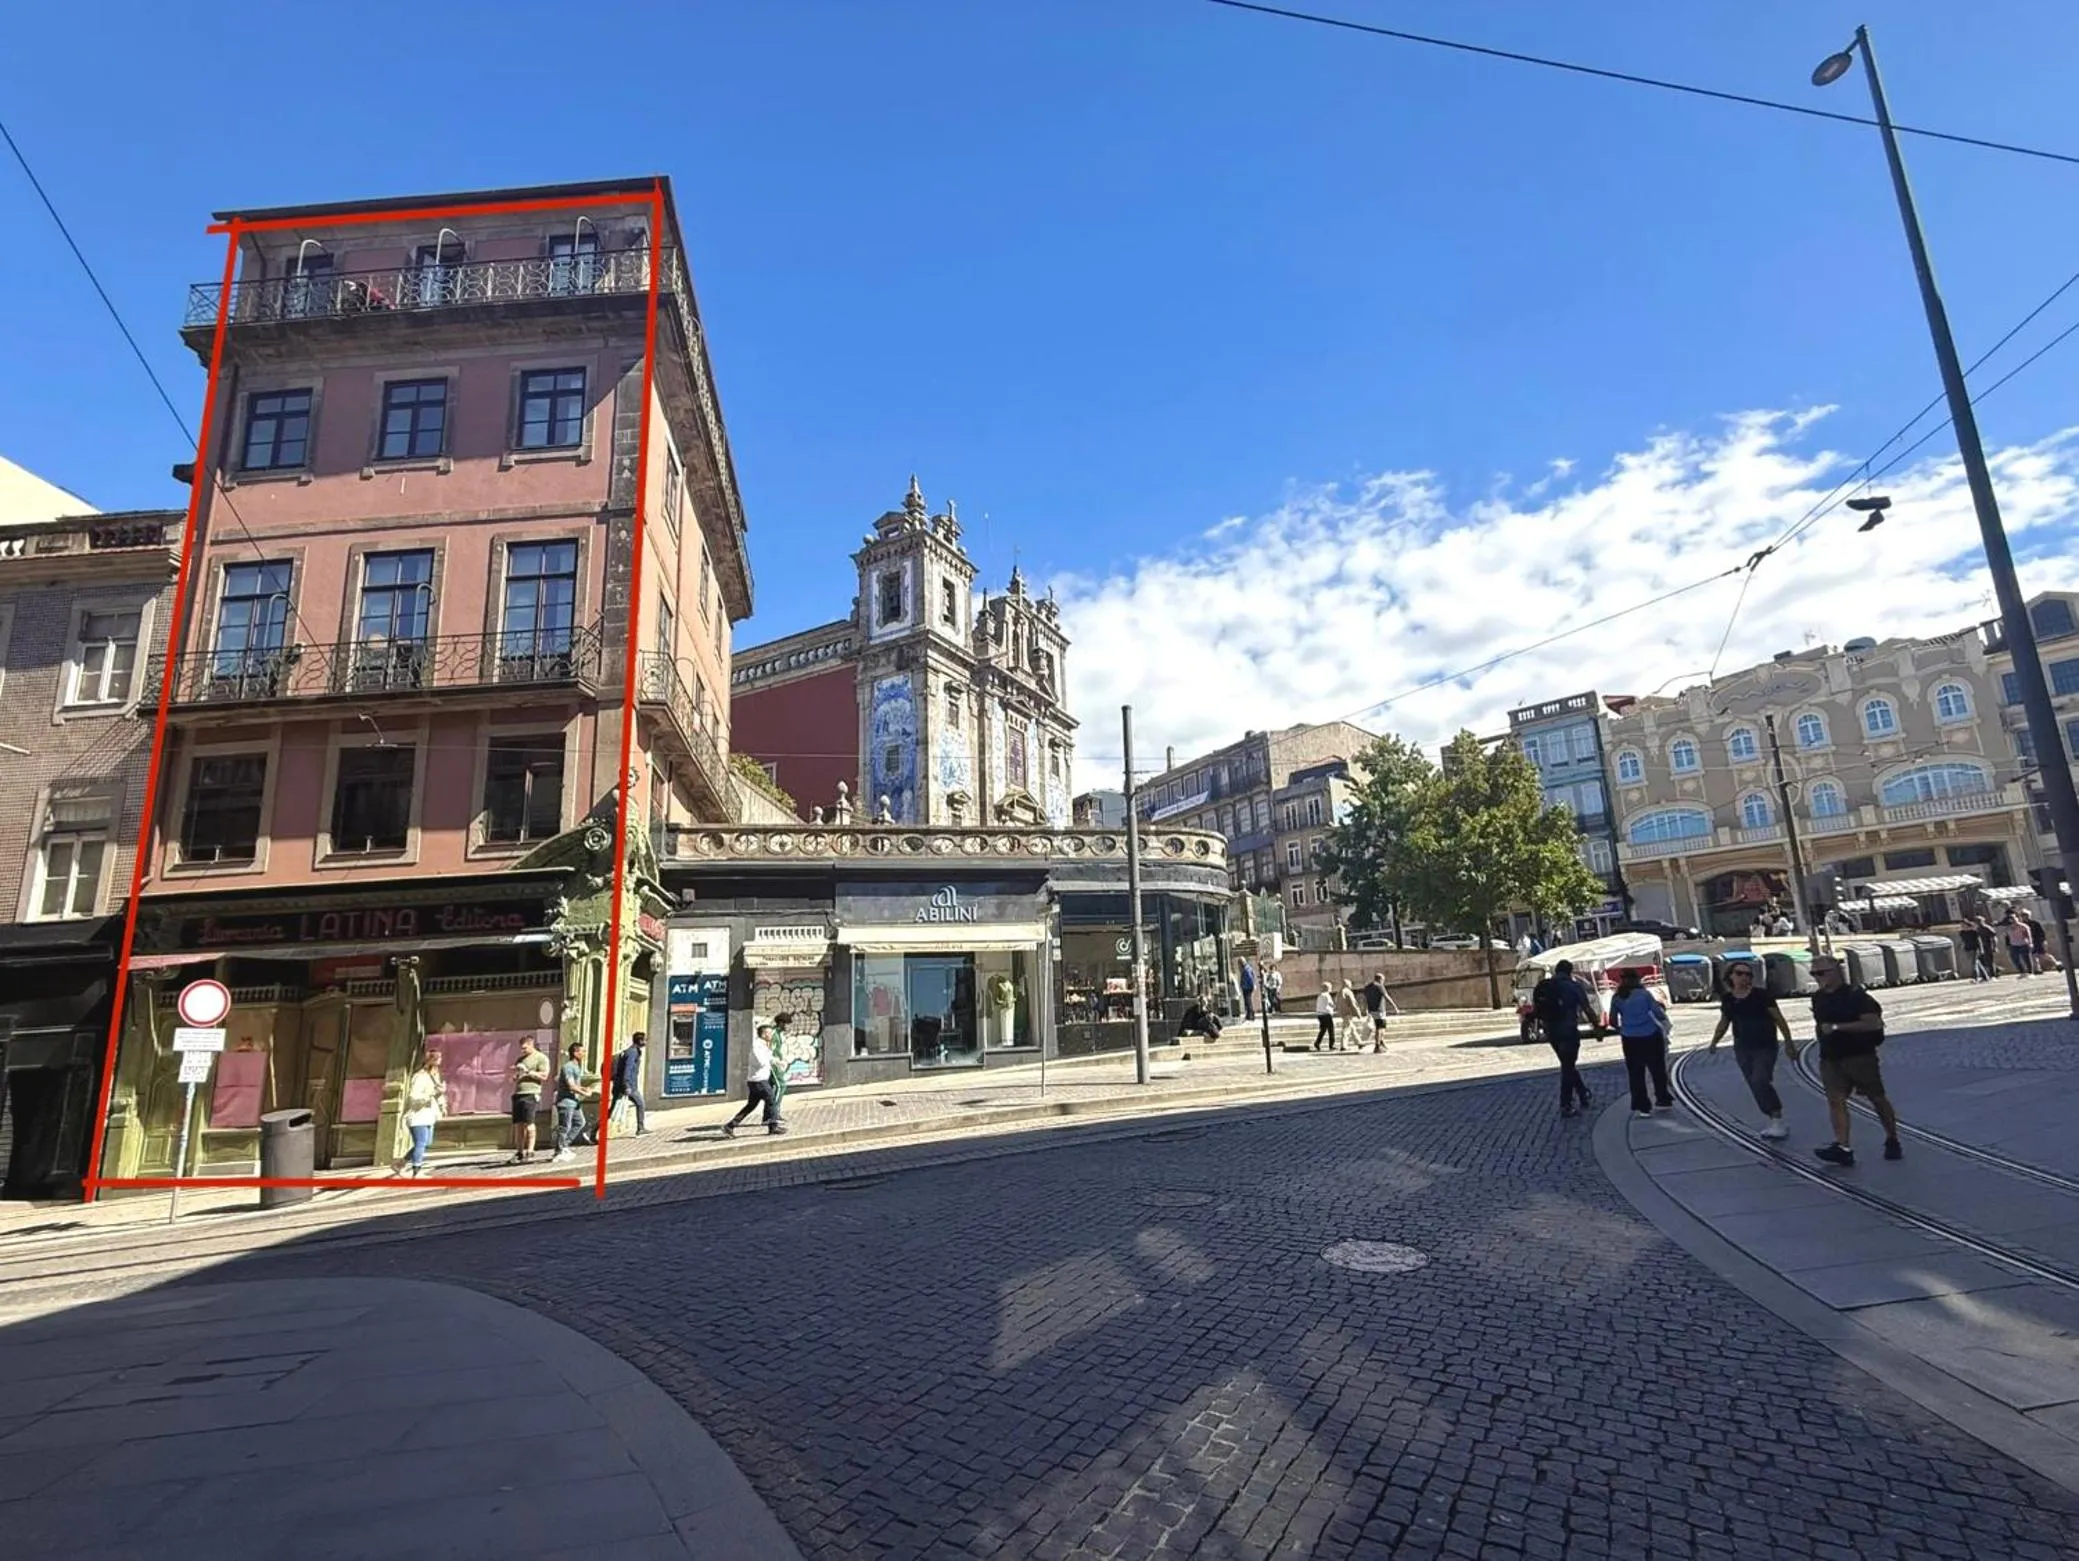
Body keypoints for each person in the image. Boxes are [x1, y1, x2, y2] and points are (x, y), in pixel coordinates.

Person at [1808, 953, 1901, 1166]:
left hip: (1860, 1056)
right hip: (1830, 1058)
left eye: (1821, 972)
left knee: (1877, 1098)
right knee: (1835, 1101)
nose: (1816, 977)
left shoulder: (1856, 996)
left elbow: (1874, 1024)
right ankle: (1843, 1147)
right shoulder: (1818, 997)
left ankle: (1892, 1138)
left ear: (1836, 971)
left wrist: (1838, 1027)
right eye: (1813, 973)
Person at [1709, 962, 1797, 1139]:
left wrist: (1789, 1042)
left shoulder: (1761, 995)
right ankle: (1772, 1118)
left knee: (1760, 1079)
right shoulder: (1728, 999)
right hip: (1742, 1047)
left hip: (1765, 1045)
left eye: (1748, 975)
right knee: (1754, 1083)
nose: (1744, 977)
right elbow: (1724, 1022)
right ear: (1731, 976)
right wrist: (1714, 1041)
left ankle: (1777, 1118)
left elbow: (1779, 1019)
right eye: (1740, 973)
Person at [1530, 958, 1598, 1118]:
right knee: (1567, 1067)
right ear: (1570, 972)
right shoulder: (1573, 986)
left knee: (1567, 1064)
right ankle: (1566, 1104)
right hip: (1568, 1030)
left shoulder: (1545, 986)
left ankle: (1582, 1092)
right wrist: (1597, 1028)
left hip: (1551, 1031)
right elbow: (1587, 1008)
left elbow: (1537, 1008)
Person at [1609, 969, 1674, 1119]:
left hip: (1630, 1039)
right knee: (1657, 1069)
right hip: (1650, 1036)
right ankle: (1662, 1098)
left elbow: (1612, 1021)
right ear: (1637, 980)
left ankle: (1642, 1106)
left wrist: (1623, 1028)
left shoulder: (1617, 997)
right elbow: (1658, 1013)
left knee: (1635, 1073)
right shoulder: (1645, 995)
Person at [723, 1020, 787, 1137]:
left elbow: (770, 1058)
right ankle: (772, 1125)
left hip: (757, 1080)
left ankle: (730, 1125)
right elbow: (761, 1061)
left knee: (751, 1106)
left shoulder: (763, 1046)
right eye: (769, 1033)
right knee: (771, 1099)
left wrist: (778, 1062)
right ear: (763, 1034)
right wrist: (768, 1059)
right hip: (758, 1080)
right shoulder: (757, 1046)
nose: (771, 1035)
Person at [394, 1049, 445, 1176]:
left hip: (429, 1115)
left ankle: (399, 1164)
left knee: (426, 1143)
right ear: (431, 1061)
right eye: (438, 1060)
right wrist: (432, 1093)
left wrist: (442, 1105)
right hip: (418, 1115)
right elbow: (414, 1097)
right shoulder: (420, 1077)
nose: (440, 1062)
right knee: (421, 1143)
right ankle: (416, 1172)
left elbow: (438, 1093)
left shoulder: (434, 1076)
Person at [508, 1034, 552, 1164]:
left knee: (529, 1123)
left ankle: (530, 1150)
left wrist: (527, 1071)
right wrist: (515, 1074)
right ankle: (519, 1152)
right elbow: (514, 1077)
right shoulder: (520, 1059)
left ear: (531, 1045)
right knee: (519, 1125)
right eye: (521, 1048)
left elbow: (544, 1076)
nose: (522, 1050)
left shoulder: (541, 1058)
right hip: (519, 1093)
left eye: (525, 1048)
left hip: (531, 1093)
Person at [552, 1042, 593, 1164]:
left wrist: (585, 1089)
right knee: (565, 1127)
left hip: (574, 1102)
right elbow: (571, 1086)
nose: (584, 1053)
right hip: (566, 1102)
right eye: (582, 1051)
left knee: (580, 1122)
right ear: (575, 1053)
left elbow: (576, 1085)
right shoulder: (568, 1067)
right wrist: (584, 1093)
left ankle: (564, 1145)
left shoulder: (576, 1067)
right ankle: (559, 1151)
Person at [611, 1031, 648, 1136]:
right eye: (645, 1040)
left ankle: (592, 1131)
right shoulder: (632, 1052)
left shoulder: (632, 1051)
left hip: (622, 1085)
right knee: (640, 1103)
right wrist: (626, 1085)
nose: (646, 1042)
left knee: (612, 1111)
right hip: (628, 1086)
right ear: (640, 1041)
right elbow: (628, 1069)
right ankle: (640, 1129)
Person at [2003, 910, 2036, 976]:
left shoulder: (2023, 926)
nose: (2012, 920)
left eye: (2013, 918)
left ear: (2017, 918)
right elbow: (2007, 937)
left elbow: (2028, 935)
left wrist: (2030, 943)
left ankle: (2030, 973)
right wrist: (2007, 945)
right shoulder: (2008, 928)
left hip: (2023, 944)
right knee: (2014, 959)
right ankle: (2022, 972)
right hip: (2014, 945)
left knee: (2026, 958)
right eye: (2011, 919)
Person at [1337, 979, 1364, 1048]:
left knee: (1352, 1028)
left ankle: (1359, 1042)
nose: (1351, 985)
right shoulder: (1348, 992)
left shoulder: (1339, 992)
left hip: (1342, 1012)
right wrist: (1358, 1013)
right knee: (1347, 1029)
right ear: (1348, 984)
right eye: (1350, 984)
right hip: (1348, 1012)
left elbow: (1337, 1003)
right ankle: (1343, 1045)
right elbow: (1353, 1003)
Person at [1959, 917, 1986, 983]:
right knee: (1977, 963)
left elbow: (1979, 941)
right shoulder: (1962, 933)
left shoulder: (1974, 932)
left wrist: (1981, 949)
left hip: (1975, 949)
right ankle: (1985, 977)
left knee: (1973, 964)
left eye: (1963, 925)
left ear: (1967, 925)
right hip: (1968, 949)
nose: (1962, 927)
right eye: (1961, 925)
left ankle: (1975, 978)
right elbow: (1963, 941)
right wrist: (1961, 946)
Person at [1312, 986, 1337, 1050]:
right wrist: (1335, 1006)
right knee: (1331, 1030)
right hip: (1326, 1014)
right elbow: (1331, 1004)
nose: (1331, 989)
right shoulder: (1327, 995)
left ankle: (1317, 1043)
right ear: (1327, 988)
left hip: (1320, 1015)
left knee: (1323, 1030)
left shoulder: (1319, 995)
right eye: (1330, 987)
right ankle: (1331, 1045)